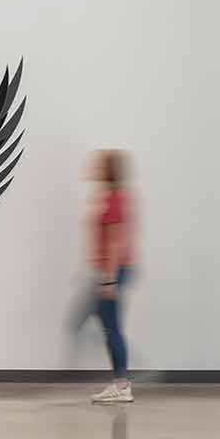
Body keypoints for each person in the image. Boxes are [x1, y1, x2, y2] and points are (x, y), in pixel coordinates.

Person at [87, 150, 135, 404]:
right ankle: (121, 381)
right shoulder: (114, 197)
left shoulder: (115, 200)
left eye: (99, 165)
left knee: (111, 326)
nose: (94, 168)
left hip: (114, 271)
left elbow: (116, 243)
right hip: (112, 270)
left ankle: (122, 385)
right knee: (106, 321)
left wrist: (109, 280)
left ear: (108, 170)